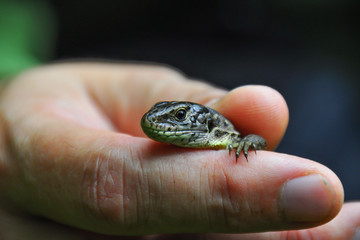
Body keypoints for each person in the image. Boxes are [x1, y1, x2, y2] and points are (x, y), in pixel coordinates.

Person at [0, 62, 359, 239]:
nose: (158, 121)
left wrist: (248, 141)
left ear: (204, 123)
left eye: (180, 116)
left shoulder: (230, 137)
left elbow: (258, 142)